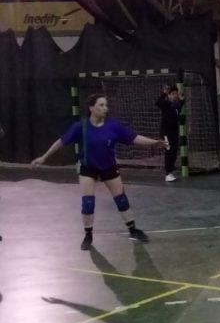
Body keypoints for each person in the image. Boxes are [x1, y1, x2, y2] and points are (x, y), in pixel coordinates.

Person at [31, 94, 168, 250]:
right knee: (88, 203)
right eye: (101, 105)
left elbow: (135, 138)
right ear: (91, 108)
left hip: (109, 167)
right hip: (88, 168)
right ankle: (88, 235)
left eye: (106, 105)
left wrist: (155, 143)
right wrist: (44, 157)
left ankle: (133, 230)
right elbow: (61, 142)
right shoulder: (80, 126)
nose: (105, 108)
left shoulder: (113, 126)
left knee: (121, 200)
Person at [156, 85, 185, 182]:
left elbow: (179, 107)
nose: (174, 96)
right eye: (172, 94)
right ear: (168, 95)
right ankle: (168, 174)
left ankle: (171, 171)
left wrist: (181, 100)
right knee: (169, 152)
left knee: (173, 151)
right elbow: (158, 103)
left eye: (175, 94)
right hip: (166, 133)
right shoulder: (166, 104)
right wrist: (163, 93)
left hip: (174, 132)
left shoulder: (176, 105)